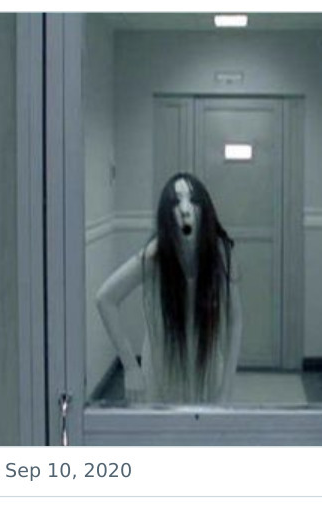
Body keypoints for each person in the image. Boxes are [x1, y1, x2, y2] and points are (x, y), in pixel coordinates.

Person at [96, 173, 243, 404]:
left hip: (206, 368)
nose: (185, 209)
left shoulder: (220, 253)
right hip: (162, 372)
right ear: (167, 215)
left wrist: (226, 387)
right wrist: (130, 366)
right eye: (177, 202)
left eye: (193, 200)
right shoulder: (155, 256)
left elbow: (235, 320)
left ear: (205, 208)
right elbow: (105, 298)